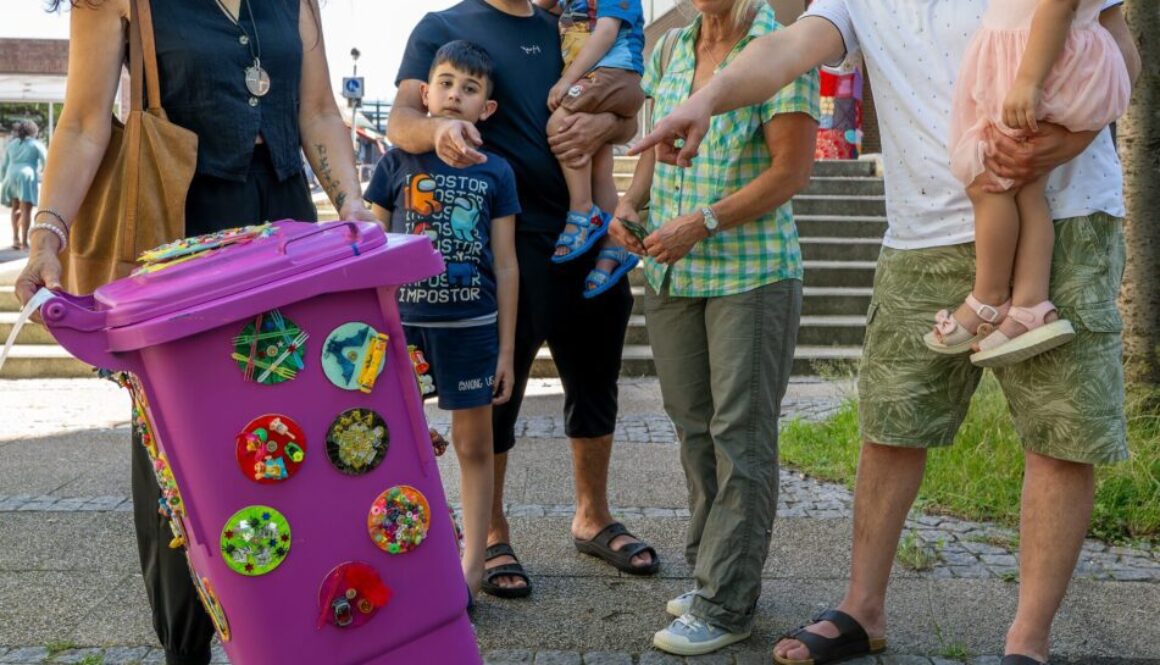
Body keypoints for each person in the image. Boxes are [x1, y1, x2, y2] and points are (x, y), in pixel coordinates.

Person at [633, 1, 1139, 663]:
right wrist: (709, 98)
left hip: (1061, 214)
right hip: (924, 226)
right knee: (891, 423)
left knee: (1060, 435)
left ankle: (1027, 642)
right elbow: (788, 47)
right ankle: (861, 609)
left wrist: (1071, 135)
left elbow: (1121, 49)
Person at [14, 2, 375, 664]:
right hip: (179, 249)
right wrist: (48, 233)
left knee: (297, 438)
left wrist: (350, 197)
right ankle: (188, 645)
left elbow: (317, 110)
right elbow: (86, 121)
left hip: (285, 247)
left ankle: (298, 627)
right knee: (180, 463)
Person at [390, 0, 659, 600]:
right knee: (497, 389)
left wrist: (605, 127)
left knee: (596, 376)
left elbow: (623, 110)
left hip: (584, 233)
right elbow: (401, 119)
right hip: (505, 243)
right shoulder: (442, 28)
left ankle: (593, 516)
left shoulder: (565, 24)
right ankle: (491, 530)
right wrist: (439, 130)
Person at [607, 0, 817, 655]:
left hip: (748, 273)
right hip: (671, 270)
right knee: (694, 425)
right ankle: (710, 572)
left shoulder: (781, 48)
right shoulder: (673, 50)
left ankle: (726, 602)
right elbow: (655, 147)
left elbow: (790, 172)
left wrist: (702, 221)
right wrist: (630, 201)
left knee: (740, 435)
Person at [365, 40, 520, 601]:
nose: (457, 94)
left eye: (471, 88)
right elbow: (370, 253)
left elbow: (505, 264)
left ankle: (470, 572)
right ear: (425, 94)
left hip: (472, 330)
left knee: (474, 447)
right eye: (448, 83)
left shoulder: (498, 172)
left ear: (487, 109)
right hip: (401, 332)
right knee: (391, 447)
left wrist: (505, 351)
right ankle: (401, 562)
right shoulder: (395, 164)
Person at [926, 0, 1132, 368]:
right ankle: (1029, 306)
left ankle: (988, 299)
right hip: (1037, 57)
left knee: (989, 181)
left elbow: (1059, 6)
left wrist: (1027, 82)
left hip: (1039, 63)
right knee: (1024, 186)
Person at [533, 0, 645, 297]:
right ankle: (615, 248)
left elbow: (607, 32)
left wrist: (567, 80)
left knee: (560, 125)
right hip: (600, 79)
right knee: (598, 160)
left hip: (613, 72)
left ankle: (583, 211)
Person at [1, 120, 47, 251]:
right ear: (33, 131)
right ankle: (24, 242)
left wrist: (3, 179)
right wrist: (42, 173)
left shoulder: (12, 144)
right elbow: (46, 161)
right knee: (26, 209)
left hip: (10, 175)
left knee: (15, 208)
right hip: (27, 176)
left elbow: (4, 165)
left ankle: (15, 239)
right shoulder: (35, 144)